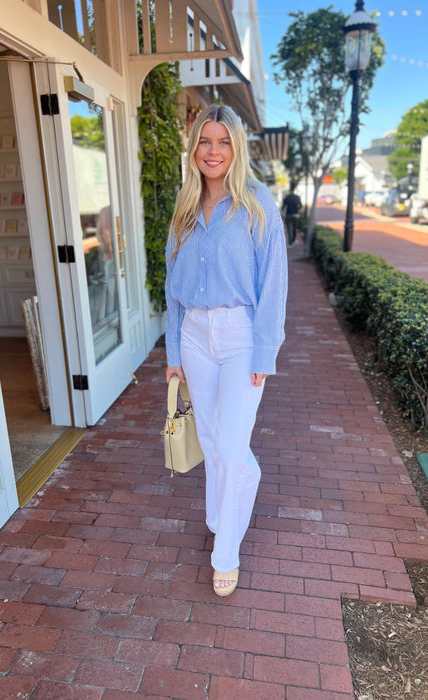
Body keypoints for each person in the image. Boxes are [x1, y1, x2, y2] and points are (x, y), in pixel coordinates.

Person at [165, 104, 288, 597]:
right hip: (194, 333)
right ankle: (222, 512)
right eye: (204, 141)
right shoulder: (185, 205)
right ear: (194, 147)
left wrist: (264, 353)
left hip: (240, 335)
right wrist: (173, 351)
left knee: (232, 447)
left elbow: (273, 286)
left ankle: (226, 551)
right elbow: (172, 285)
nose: (213, 152)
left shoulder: (259, 204)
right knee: (215, 440)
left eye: (223, 142)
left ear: (237, 149)